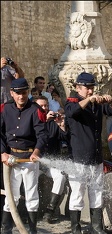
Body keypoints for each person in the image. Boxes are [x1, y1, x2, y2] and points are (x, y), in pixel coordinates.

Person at [64, 72, 112, 234]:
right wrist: (89, 100)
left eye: (92, 88)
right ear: (77, 87)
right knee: (77, 193)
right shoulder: (72, 101)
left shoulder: (95, 104)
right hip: (79, 157)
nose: (90, 91)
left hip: (96, 156)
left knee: (96, 192)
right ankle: (75, 229)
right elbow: (72, 112)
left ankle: (97, 227)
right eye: (87, 88)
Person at [1, 78, 49, 234]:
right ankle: (6, 231)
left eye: (24, 93)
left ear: (28, 93)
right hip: (10, 158)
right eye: (18, 93)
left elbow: (42, 135)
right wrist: (3, 153)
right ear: (12, 93)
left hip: (29, 158)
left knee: (31, 194)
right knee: (11, 195)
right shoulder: (5, 109)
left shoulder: (35, 110)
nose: (22, 96)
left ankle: (32, 231)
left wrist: (36, 152)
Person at [34, 96, 69, 224]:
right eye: (41, 106)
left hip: (50, 162)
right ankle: (28, 212)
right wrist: (43, 121)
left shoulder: (52, 123)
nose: (45, 108)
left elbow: (64, 138)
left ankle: (50, 211)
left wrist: (61, 126)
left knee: (61, 177)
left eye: (46, 105)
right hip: (34, 161)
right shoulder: (32, 121)